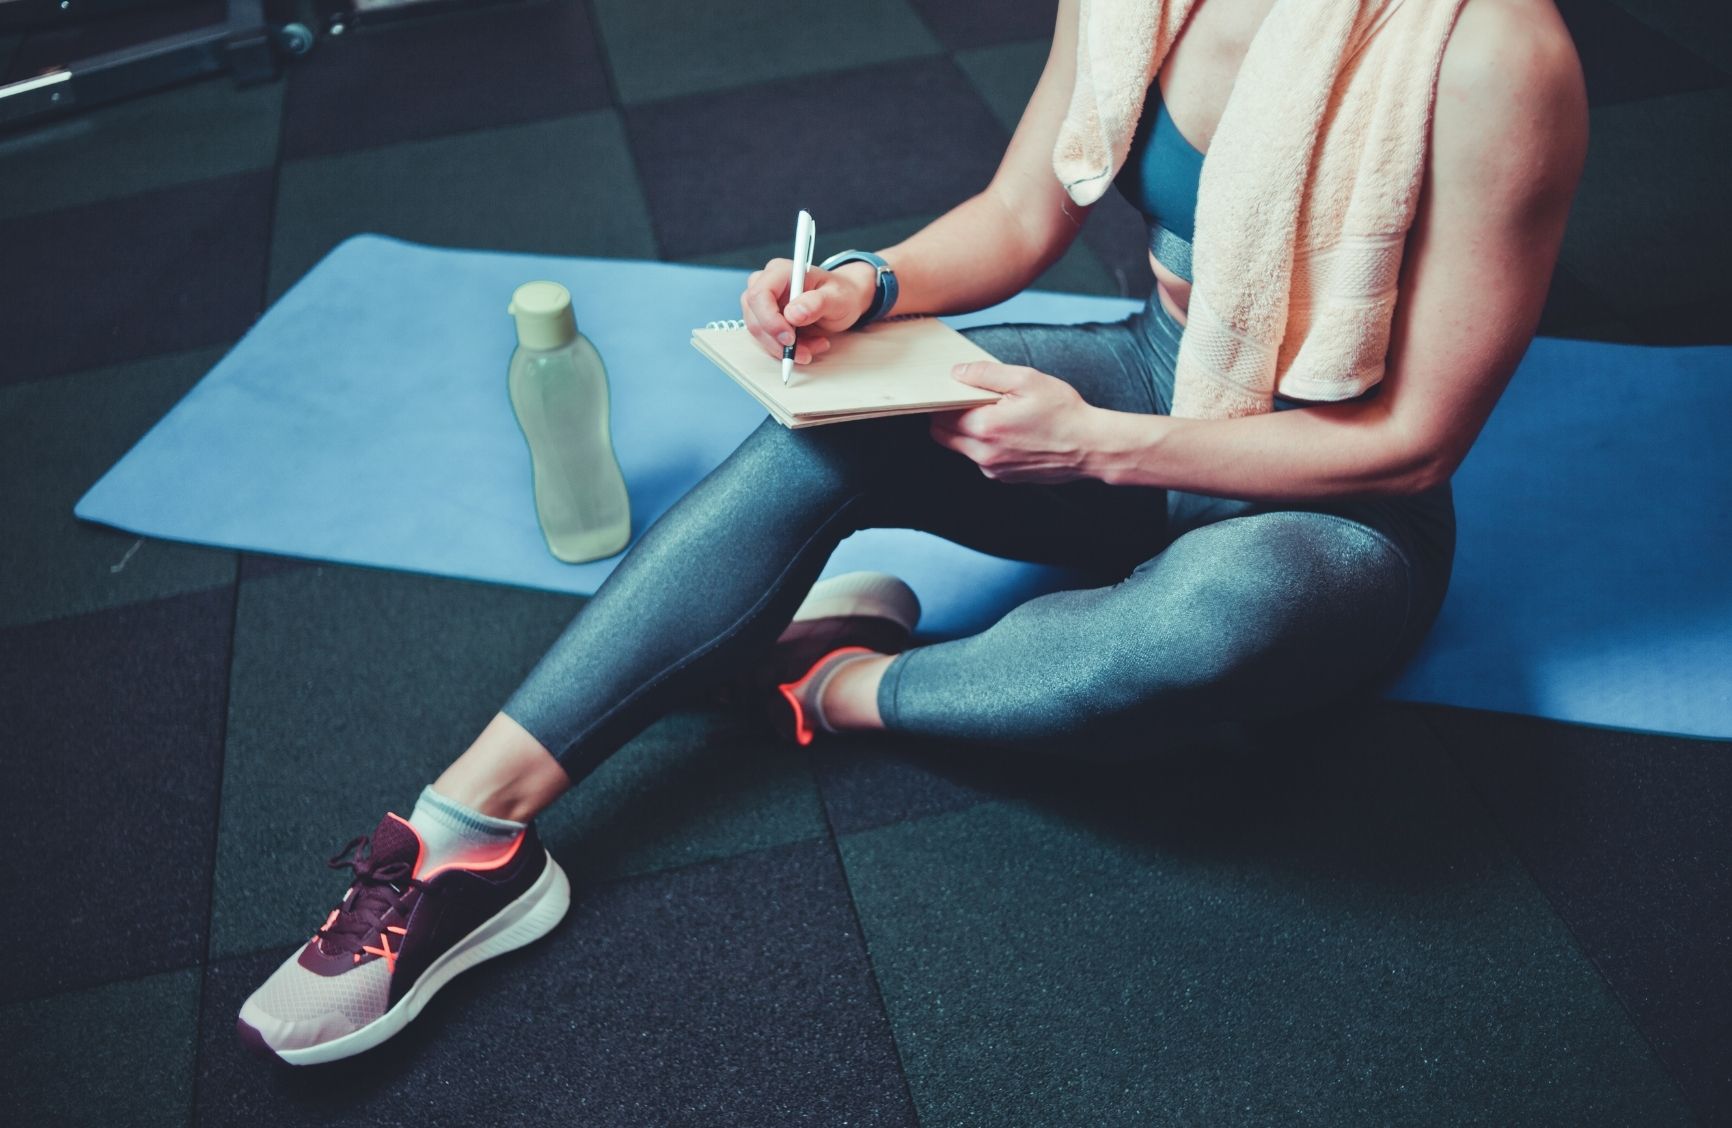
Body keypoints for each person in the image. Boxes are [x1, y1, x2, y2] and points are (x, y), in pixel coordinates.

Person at [236, 0, 1588, 1065]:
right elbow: (1019, 215)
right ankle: (467, 834)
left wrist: (1104, 447)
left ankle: (839, 685)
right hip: (1157, 364)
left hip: (1333, 497)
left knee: (1208, 619)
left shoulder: (1497, 52)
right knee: (828, 419)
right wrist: (862, 288)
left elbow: (1415, 442)